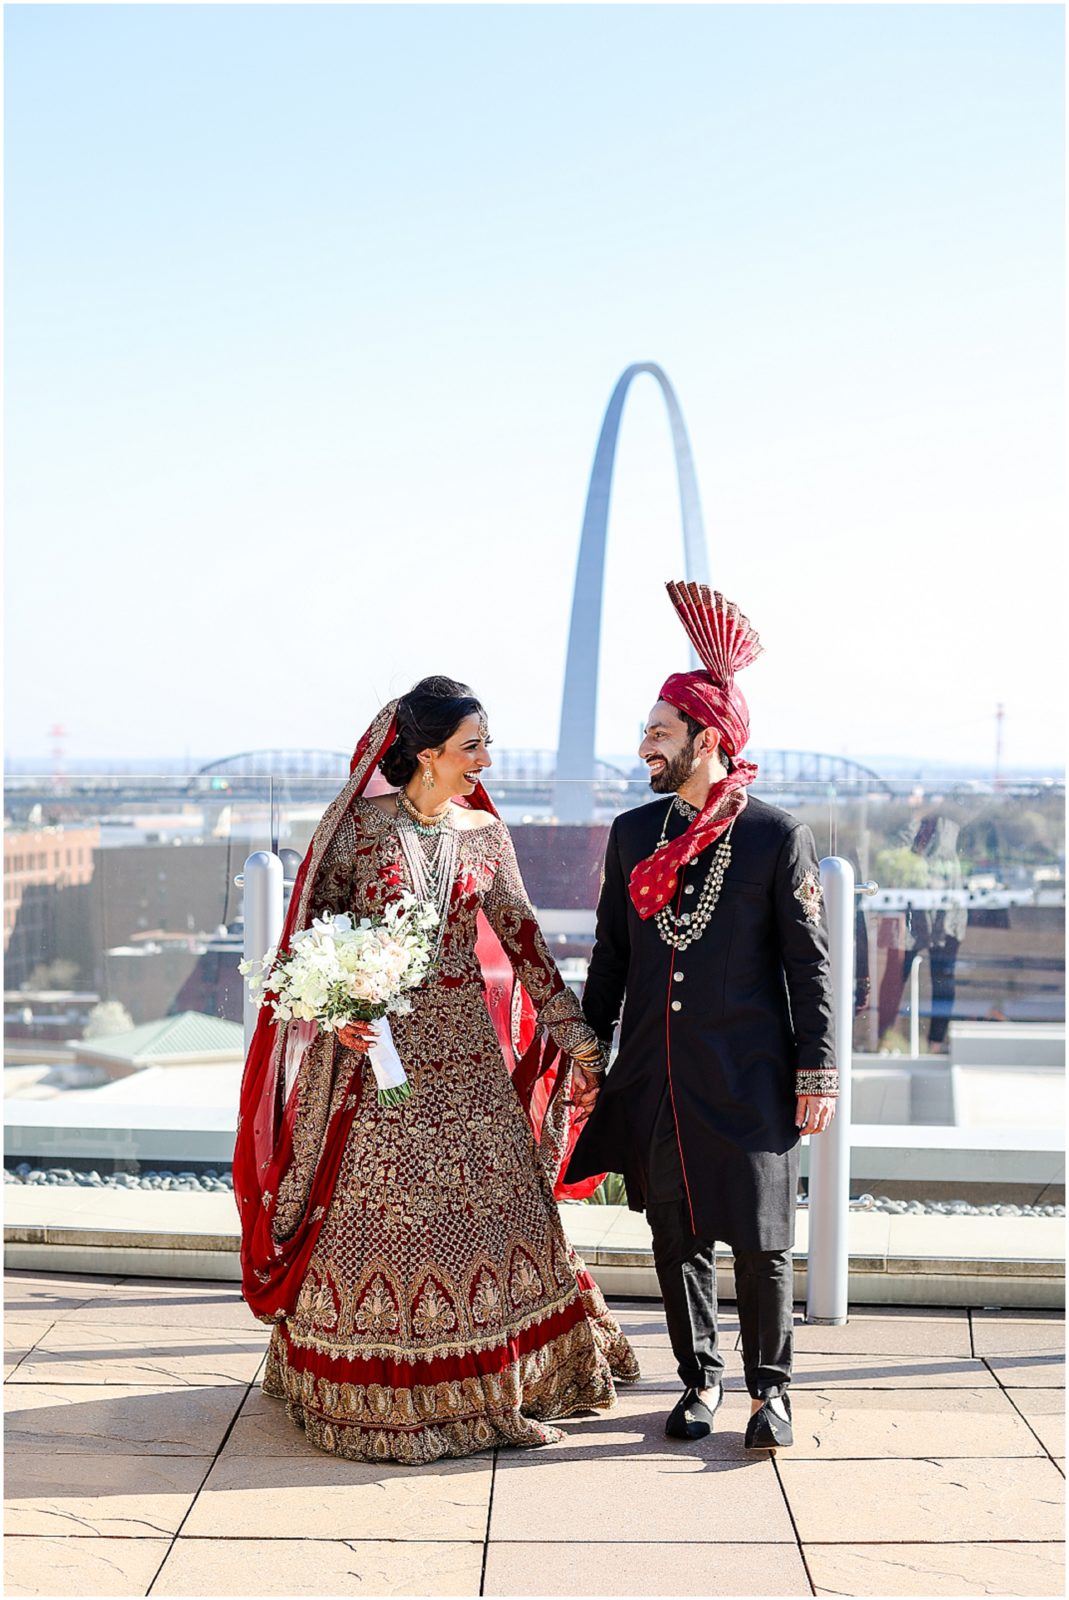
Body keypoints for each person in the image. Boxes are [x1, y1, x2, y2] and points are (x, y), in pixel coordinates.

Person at [234, 676, 638, 1465]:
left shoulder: (484, 836)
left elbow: (523, 943)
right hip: (371, 1057)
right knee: (377, 1208)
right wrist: (336, 1007)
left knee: (492, 1209)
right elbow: (309, 938)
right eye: (471, 746)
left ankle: (503, 1377)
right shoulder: (357, 832)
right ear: (426, 754)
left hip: (463, 1057)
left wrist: (584, 1045)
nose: (485, 760)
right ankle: (370, 1388)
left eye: (485, 744)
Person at [566, 583, 837, 1451]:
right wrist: (585, 1046)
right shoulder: (630, 832)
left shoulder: (772, 835)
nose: (642, 746)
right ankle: (698, 1381)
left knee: (760, 1243)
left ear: (706, 740)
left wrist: (817, 1071)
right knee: (675, 1233)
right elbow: (611, 955)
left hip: (749, 1076)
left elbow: (809, 962)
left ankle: (770, 1393)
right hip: (656, 1073)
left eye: (658, 732)